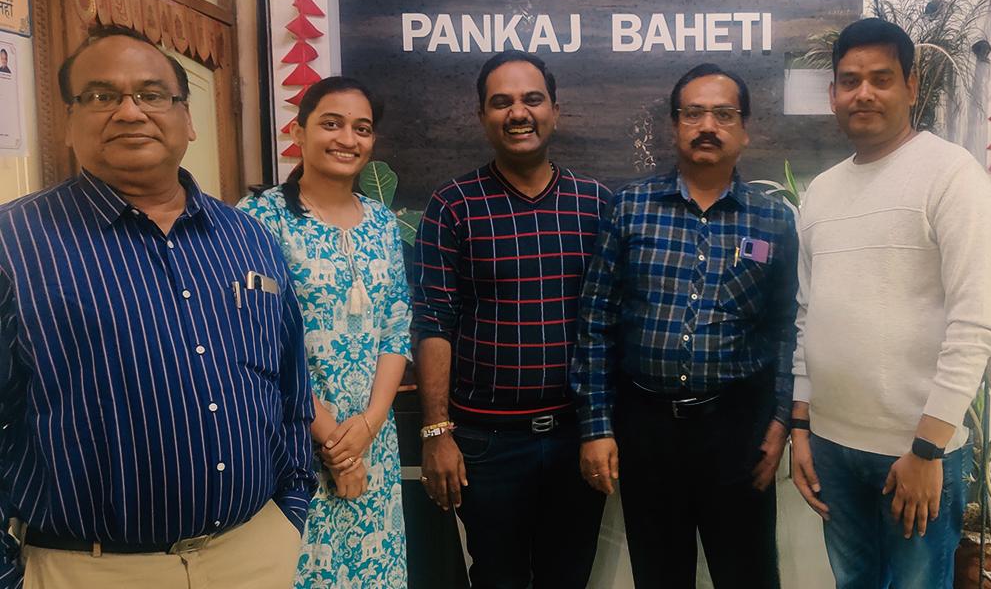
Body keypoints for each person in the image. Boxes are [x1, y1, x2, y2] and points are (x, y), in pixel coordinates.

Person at [0, 25, 315, 589]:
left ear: (186, 118)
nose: (129, 112)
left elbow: (290, 382)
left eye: (151, 94)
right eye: (101, 95)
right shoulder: (14, 243)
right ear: (68, 122)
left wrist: (290, 508)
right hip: (89, 569)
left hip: (254, 554)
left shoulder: (249, 237)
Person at [789, 18, 991, 588]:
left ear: (911, 85)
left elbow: (976, 321)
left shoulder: (950, 174)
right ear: (833, 94)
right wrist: (801, 428)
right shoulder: (821, 191)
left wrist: (927, 450)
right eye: (849, 81)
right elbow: (807, 316)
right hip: (832, 447)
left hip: (916, 453)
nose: (863, 93)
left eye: (881, 79)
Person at [572, 63, 798, 588]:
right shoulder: (631, 207)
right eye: (693, 114)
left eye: (724, 114)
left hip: (737, 430)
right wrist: (596, 426)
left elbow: (787, 326)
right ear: (674, 126)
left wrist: (781, 419)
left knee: (748, 575)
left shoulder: (773, 220)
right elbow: (596, 320)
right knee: (660, 575)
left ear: (745, 129)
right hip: (647, 429)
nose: (708, 126)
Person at [412, 50, 610, 588]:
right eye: (501, 102)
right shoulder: (453, 205)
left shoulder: (596, 204)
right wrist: (436, 432)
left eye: (532, 99)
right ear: (482, 116)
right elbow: (433, 321)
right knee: (497, 580)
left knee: (568, 579)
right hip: (486, 444)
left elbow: (609, 321)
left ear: (555, 111)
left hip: (575, 438)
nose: (518, 113)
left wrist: (605, 427)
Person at [238, 76, 411, 588]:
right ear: (299, 131)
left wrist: (369, 425)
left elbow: (396, 328)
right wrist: (334, 442)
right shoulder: (257, 221)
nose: (347, 139)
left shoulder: (382, 222)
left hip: (372, 444)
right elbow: (256, 341)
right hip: (294, 444)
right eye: (331, 124)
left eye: (362, 128)